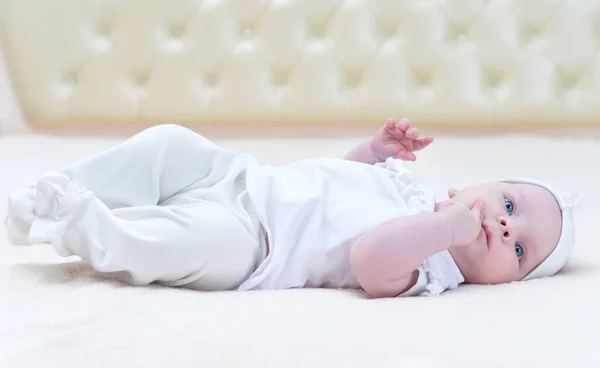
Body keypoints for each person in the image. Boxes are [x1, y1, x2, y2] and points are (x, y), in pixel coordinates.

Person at [4, 119, 577, 298]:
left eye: (520, 248)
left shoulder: (434, 269)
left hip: (253, 246)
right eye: (509, 203)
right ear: (467, 187)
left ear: (506, 280)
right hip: (245, 178)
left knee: (181, 244)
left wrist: (448, 230)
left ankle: (79, 221)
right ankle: (49, 195)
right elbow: (338, 185)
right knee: (169, 143)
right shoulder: (410, 190)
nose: (504, 225)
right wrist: (372, 153)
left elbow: (371, 254)